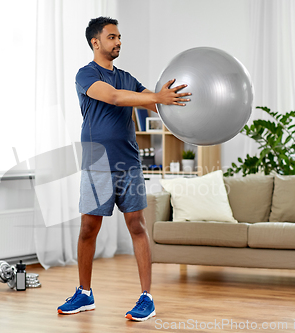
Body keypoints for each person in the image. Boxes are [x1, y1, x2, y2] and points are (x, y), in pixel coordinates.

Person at [57, 16, 191, 322]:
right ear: (96, 42)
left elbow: (153, 104)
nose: (118, 42)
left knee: (136, 226)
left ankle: (147, 298)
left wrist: (174, 100)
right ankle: (84, 293)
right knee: (88, 229)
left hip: (128, 162)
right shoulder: (85, 75)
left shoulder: (128, 77)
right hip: (97, 164)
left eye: (120, 38)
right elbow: (114, 98)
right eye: (113, 37)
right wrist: (154, 97)